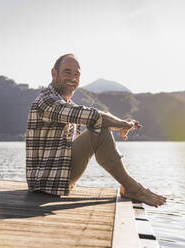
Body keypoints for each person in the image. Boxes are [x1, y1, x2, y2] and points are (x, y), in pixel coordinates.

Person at [26, 54, 166, 207]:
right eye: (67, 72)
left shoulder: (66, 103)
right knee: (99, 132)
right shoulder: (47, 101)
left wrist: (123, 124)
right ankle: (133, 188)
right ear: (54, 73)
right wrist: (124, 125)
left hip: (57, 178)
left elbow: (96, 120)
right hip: (45, 182)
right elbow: (95, 117)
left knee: (99, 129)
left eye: (76, 74)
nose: (73, 77)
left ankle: (130, 187)